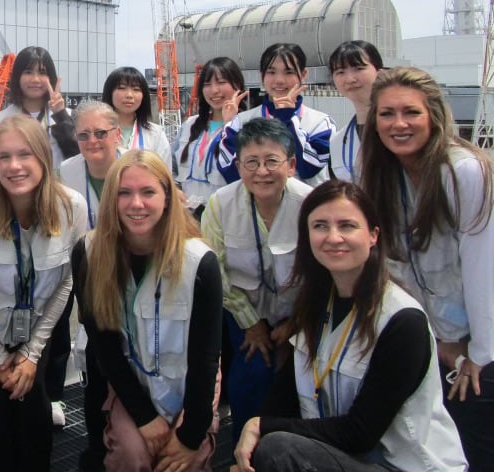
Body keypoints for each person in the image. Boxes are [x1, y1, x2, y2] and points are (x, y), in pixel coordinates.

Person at [234, 180, 467, 472]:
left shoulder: (402, 321)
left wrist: (263, 426)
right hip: (344, 457)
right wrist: (252, 434)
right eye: (320, 226)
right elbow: (286, 393)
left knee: (279, 449)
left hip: (402, 465)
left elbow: (360, 433)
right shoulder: (318, 305)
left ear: (373, 236)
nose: (333, 237)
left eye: (347, 226)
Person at [359, 66, 494, 468]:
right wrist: (434, 343)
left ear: (433, 115)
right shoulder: (380, 174)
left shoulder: (464, 172)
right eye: (386, 114)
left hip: (478, 344)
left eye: (410, 112)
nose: (398, 124)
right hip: (435, 344)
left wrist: (479, 354)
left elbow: (483, 268)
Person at [0, 114, 86, 472]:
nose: (14, 166)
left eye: (24, 154)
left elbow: (65, 282)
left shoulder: (72, 207)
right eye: (3, 157)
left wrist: (32, 352)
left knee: (33, 426)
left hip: (36, 337)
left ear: (43, 157)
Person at [72, 150, 222, 471]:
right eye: (123, 193)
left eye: (148, 192)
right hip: (131, 383)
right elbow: (105, 348)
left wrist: (191, 435)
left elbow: (206, 359)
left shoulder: (199, 262)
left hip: (190, 385)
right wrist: (145, 417)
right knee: (132, 455)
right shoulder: (89, 252)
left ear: (168, 197)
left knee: (180, 462)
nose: (135, 204)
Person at [201, 118, 312, 445]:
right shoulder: (221, 204)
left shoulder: (310, 204)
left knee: (302, 387)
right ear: (237, 165)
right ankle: (244, 454)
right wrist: (252, 324)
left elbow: (324, 271)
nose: (261, 171)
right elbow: (214, 270)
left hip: (302, 317)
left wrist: (296, 323)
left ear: (290, 165)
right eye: (251, 162)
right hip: (243, 314)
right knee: (251, 376)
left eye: (271, 161)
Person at [59, 99, 121, 469]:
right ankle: (98, 447)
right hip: (88, 280)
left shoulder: (135, 168)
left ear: (118, 134)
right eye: (83, 135)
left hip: (131, 278)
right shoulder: (67, 171)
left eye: (101, 133)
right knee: (95, 362)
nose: (93, 141)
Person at [216, 43, 335, 187]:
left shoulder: (320, 122)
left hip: (304, 207)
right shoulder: (241, 121)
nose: (279, 80)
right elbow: (230, 173)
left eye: (289, 72)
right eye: (271, 72)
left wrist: (287, 118)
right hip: (253, 207)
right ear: (262, 75)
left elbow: (307, 169)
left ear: (303, 75)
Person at [173, 56, 247, 217]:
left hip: (229, 215)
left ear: (238, 85)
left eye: (221, 83)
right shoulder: (190, 125)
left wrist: (229, 125)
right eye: (207, 84)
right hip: (187, 215)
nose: (214, 90)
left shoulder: (247, 126)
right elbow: (171, 167)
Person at [0, 46, 78, 172]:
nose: (35, 79)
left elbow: (78, 156)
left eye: (42, 73)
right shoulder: (1, 119)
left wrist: (60, 115)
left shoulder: (70, 116)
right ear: (17, 77)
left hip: (58, 188)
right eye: (28, 72)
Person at [326, 41, 383, 182]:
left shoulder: (399, 128)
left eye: (358, 68)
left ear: (380, 73)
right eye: (340, 72)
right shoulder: (337, 142)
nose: (350, 79)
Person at [101, 66, 170, 166]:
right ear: (109, 92)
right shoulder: (96, 132)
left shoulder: (155, 134)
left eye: (136, 89)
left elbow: (164, 172)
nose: (129, 95)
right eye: (122, 88)